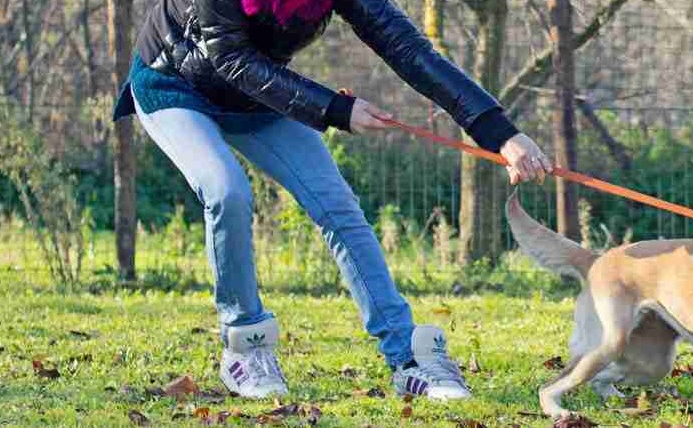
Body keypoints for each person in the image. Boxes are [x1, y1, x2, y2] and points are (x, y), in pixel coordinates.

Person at [112, 0, 552, 400]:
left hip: (258, 95)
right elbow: (228, 57)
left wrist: (501, 136)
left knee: (337, 207)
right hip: (174, 85)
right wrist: (334, 110)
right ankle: (245, 346)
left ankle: (407, 358)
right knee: (227, 191)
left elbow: (411, 52)